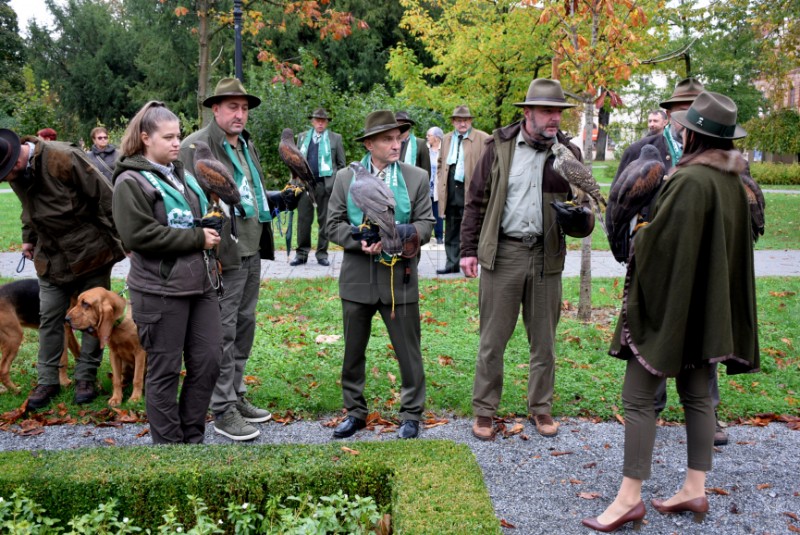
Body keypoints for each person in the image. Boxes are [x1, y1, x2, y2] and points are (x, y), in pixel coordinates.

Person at [582, 91, 759, 532]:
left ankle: (628, 500)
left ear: (694, 135)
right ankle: (694, 489)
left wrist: (641, 232)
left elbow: (658, 245)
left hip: (674, 308)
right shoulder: (733, 182)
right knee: (699, 396)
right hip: (708, 308)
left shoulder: (689, 181)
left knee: (639, 398)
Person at [460, 79, 594, 441]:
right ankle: (485, 411)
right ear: (527, 113)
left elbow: (584, 208)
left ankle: (542, 408)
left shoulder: (568, 153)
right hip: (503, 254)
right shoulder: (498, 147)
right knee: (492, 340)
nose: (554, 119)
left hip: (546, 256)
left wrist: (581, 221)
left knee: (544, 342)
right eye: (547, 112)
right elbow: (475, 201)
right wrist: (468, 250)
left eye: (558, 113)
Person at [613, 77, 728, 446]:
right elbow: (617, 206)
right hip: (655, 261)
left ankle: (708, 414)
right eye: (683, 109)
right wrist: (631, 247)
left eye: (696, 108)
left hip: (702, 262)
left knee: (702, 334)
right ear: (670, 114)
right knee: (652, 332)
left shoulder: (717, 153)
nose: (689, 116)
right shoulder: (642, 150)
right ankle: (652, 409)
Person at [113, 101, 221, 445]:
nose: (177, 143)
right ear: (145, 138)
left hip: (199, 284)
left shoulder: (181, 173)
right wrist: (196, 237)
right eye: (169, 137)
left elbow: (193, 217)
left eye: (179, 136)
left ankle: (191, 438)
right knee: (164, 371)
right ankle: (169, 449)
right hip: (159, 290)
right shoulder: (130, 181)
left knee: (208, 362)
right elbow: (137, 236)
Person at [180, 78, 281, 441]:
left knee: (244, 324)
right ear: (215, 109)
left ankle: (235, 394)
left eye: (244, 108)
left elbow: (249, 191)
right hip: (223, 252)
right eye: (232, 107)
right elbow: (191, 202)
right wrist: (209, 249)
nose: (240, 114)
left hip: (251, 245)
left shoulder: (245, 143)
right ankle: (221, 408)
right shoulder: (197, 146)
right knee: (221, 329)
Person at [326, 110, 434, 440]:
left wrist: (401, 233)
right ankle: (355, 412)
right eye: (387, 139)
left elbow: (427, 225)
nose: (396, 144)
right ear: (369, 144)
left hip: (399, 278)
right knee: (352, 352)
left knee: (409, 352)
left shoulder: (415, 177)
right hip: (357, 278)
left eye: (398, 138)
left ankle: (411, 414)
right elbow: (332, 225)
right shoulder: (346, 178)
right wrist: (360, 239)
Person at [0, 128, 125, 409]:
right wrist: (28, 239)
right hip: (51, 257)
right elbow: (28, 210)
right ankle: (47, 380)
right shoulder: (18, 174)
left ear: (16, 161)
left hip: (90, 252)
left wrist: (125, 239)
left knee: (91, 317)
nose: (7, 179)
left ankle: (85, 378)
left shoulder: (64, 157)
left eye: (5, 173)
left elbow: (106, 196)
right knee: (50, 317)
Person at [436, 105, 489, 275]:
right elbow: (440, 163)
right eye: (459, 120)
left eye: (465, 120)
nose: (462, 123)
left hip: (471, 190)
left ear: (471, 121)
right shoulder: (446, 139)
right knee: (451, 228)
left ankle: (471, 263)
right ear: (453, 122)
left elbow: (490, 165)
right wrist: (441, 179)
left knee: (471, 228)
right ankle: (452, 263)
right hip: (451, 189)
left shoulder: (483, 138)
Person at [290, 108, 346, 267]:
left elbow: (342, 164)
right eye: (317, 120)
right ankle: (301, 254)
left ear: (327, 122)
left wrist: (336, 183)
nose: (320, 123)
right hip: (305, 185)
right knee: (303, 221)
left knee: (325, 221)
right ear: (312, 121)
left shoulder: (336, 139)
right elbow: (294, 162)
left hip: (325, 185)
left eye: (323, 120)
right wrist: (294, 183)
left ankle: (322, 254)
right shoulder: (301, 137)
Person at [396, 111, 431, 176]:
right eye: (397, 123)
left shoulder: (420, 143)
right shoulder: (391, 144)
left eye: (402, 124)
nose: (400, 126)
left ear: (409, 126)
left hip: (413, 183)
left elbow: (426, 170)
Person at [426, 126, 445, 244]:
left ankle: (439, 236)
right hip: (426, 185)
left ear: (436, 138)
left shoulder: (444, 150)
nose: (427, 138)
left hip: (438, 186)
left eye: (429, 135)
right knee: (425, 211)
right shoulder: (425, 149)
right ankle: (426, 235)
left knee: (438, 212)